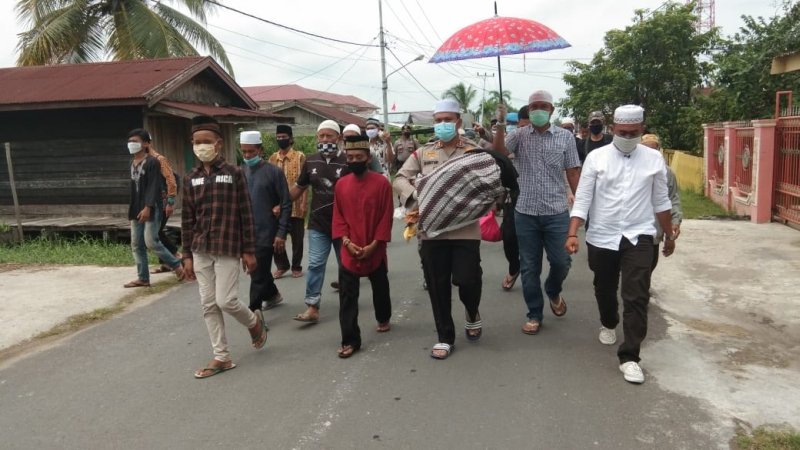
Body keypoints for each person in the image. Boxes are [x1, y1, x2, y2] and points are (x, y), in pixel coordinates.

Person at [566, 105, 676, 385]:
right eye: (622, 132)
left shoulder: (653, 159)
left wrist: (668, 234)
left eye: (633, 132)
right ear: (613, 129)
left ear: (642, 130)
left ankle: (630, 357)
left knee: (637, 295)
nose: (627, 136)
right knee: (604, 287)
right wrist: (572, 233)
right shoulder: (596, 158)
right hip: (602, 236)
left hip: (639, 236)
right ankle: (608, 320)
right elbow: (583, 198)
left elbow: (661, 201)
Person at [393, 98, 484, 360]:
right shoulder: (423, 153)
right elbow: (399, 178)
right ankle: (445, 336)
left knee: (467, 279)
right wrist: (416, 197)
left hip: (465, 228)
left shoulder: (472, 150)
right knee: (437, 283)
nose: (442, 124)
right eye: (438, 120)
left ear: (458, 122)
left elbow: (487, 180)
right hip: (431, 230)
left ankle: (472, 309)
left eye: (447, 120)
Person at [181, 115, 267, 379]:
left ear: (218, 144)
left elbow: (246, 213)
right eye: (197, 142)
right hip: (200, 248)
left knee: (226, 300)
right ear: (192, 144)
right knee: (208, 304)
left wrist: (249, 251)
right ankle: (222, 357)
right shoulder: (191, 177)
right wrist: (186, 255)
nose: (202, 146)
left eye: (207, 141)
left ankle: (254, 323)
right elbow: (187, 218)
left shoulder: (234, 173)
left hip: (228, 246)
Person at [494, 90, 581, 336]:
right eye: (534, 107)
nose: (538, 111)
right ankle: (534, 313)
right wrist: (500, 124)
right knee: (529, 267)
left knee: (562, 261)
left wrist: (584, 206)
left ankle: (553, 290)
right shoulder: (519, 136)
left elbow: (573, 172)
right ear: (528, 110)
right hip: (526, 212)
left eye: (543, 106)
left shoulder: (565, 137)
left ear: (552, 110)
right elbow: (499, 154)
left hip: (557, 211)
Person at [332, 134, 394, 358]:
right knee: (347, 296)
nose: (354, 160)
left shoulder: (382, 184)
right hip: (349, 248)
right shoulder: (341, 185)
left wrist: (375, 244)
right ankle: (350, 339)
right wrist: (346, 242)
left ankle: (383, 316)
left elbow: (386, 217)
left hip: (374, 247)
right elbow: (338, 217)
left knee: (380, 286)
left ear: (368, 158)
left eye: (359, 156)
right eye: (350, 157)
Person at [289, 120, 349, 323]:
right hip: (318, 224)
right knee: (315, 264)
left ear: (338, 138)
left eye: (329, 136)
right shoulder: (311, 161)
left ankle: (349, 301)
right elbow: (299, 188)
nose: (325, 139)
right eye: (321, 136)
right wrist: (281, 202)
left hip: (344, 225)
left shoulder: (349, 161)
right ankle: (312, 307)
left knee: (346, 265)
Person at [124, 128, 184, 288]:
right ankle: (143, 277)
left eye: (135, 141)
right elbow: (134, 188)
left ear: (145, 144)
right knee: (136, 244)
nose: (131, 144)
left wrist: (150, 206)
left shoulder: (154, 161)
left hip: (152, 206)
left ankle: (176, 264)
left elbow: (154, 186)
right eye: (130, 141)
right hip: (136, 207)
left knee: (151, 241)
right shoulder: (132, 163)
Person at [240, 130, 291, 312]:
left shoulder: (273, 173)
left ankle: (253, 313)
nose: (247, 155)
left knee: (257, 275)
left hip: (266, 232)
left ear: (260, 150)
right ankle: (272, 295)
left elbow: (285, 203)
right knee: (259, 271)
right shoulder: (239, 172)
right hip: (246, 233)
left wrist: (281, 233)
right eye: (244, 151)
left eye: (251, 152)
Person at [268, 124, 307, 279]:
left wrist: (304, 202)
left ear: (290, 138)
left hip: (296, 204)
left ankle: (296, 266)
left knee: (297, 238)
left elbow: (305, 182)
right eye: (278, 137)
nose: (281, 140)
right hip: (278, 206)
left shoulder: (300, 157)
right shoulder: (272, 158)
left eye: (284, 137)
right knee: (277, 236)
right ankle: (282, 265)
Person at [641, 134, 683, 270]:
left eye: (654, 150)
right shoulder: (632, 170)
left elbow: (673, 198)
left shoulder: (667, 173)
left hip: (654, 232)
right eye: (646, 150)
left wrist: (675, 222)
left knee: (648, 270)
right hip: (634, 231)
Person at [143, 136, 181, 275]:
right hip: (152, 201)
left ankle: (175, 256)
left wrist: (170, 202)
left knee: (156, 232)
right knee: (156, 232)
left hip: (163, 200)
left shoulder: (159, 159)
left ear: (148, 143)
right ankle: (166, 263)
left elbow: (171, 180)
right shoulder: (142, 160)